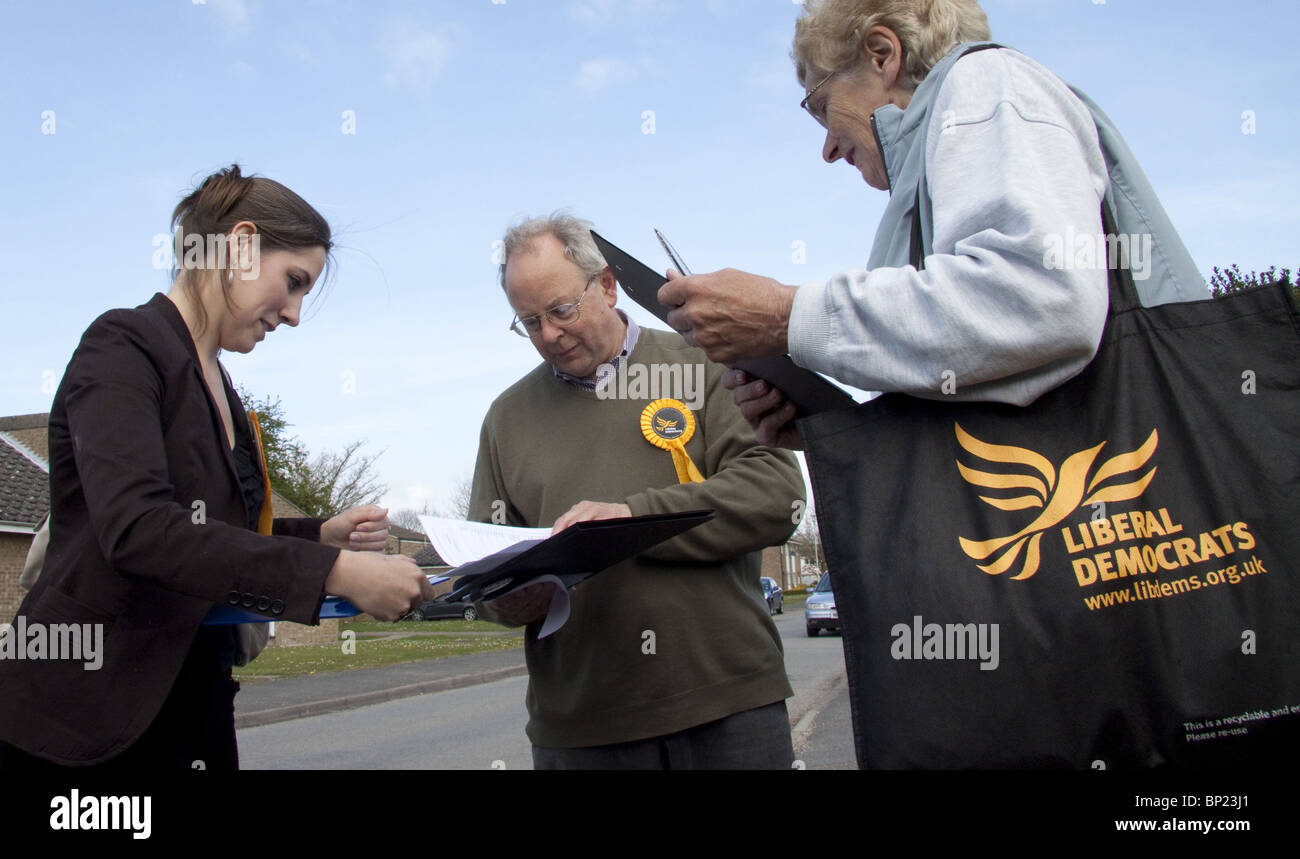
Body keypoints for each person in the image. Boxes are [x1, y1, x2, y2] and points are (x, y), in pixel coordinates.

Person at [0, 165, 435, 770]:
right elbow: (141, 531)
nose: (294, 314)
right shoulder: (122, 347)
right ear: (239, 245)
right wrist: (334, 570)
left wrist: (317, 533)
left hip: (195, 702)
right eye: (293, 281)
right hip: (81, 721)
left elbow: (210, 532)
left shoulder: (224, 389)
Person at [655, 0, 1208, 444]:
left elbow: (1042, 298)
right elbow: (982, 365)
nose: (825, 147)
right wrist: (824, 422)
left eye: (821, 106)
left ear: (881, 54)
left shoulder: (987, 81)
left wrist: (786, 316)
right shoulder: (936, 158)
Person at [468, 214, 806, 769]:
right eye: (528, 322)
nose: (548, 334)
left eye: (560, 310)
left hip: (728, 705)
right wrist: (501, 600)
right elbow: (486, 557)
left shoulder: (707, 363)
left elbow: (775, 495)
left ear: (606, 285)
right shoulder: (504, 419)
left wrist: (628, 521)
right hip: (580, 729)